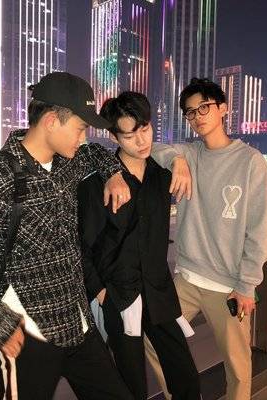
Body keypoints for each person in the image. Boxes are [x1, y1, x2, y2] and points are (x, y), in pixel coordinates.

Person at [0, 72, 134, 400]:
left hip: (77, 323)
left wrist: (113, 174)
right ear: (52, 121)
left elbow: (97, 154)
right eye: (80, 128)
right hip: (27, 333)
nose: (83, 137)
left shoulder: (68, 162)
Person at [146, 78, 267, 400]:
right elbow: (151, 148)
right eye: (190, 112)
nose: (197, 116)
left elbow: (260, 228)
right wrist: (176, 160)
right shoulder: (189, 154)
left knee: (238, 369)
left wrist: (247, 285)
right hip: (187, 279)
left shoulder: (250, 161)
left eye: (204, 107)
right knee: (152, 338)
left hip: (228, 287)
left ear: (223, 109)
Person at [77, 91, 201, 400]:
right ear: (114, 137)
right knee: (131, 384)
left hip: (158, 291)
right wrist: (101, 292)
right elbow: (82, 245)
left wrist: (178, 159)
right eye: (130, 136)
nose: (142, 141)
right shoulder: (99, 183)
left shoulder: (162, 176)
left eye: (145, 129)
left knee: (185, 375)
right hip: (119, 295)